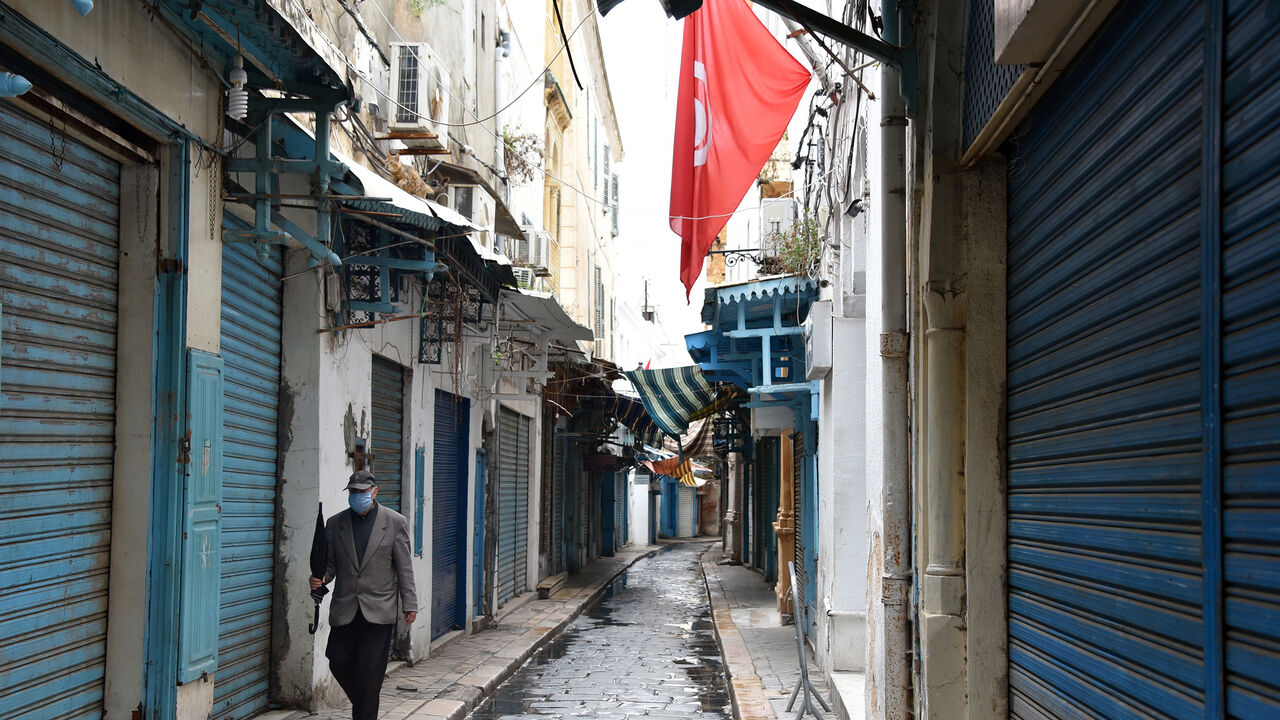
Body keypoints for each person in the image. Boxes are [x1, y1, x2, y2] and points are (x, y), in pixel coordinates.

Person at [310, 469, 418, 720]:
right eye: (353, 492)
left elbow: (404, 567)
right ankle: (364, 705)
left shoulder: (395, 522)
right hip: (345, 606)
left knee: (370, 670)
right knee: (337, 660)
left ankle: (364, 714)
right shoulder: (335, 524)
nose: (357, 496)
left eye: (362, 491)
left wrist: (409, 604)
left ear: (374, 492)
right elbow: (330, 564)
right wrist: (321, 578)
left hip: (379, 608)